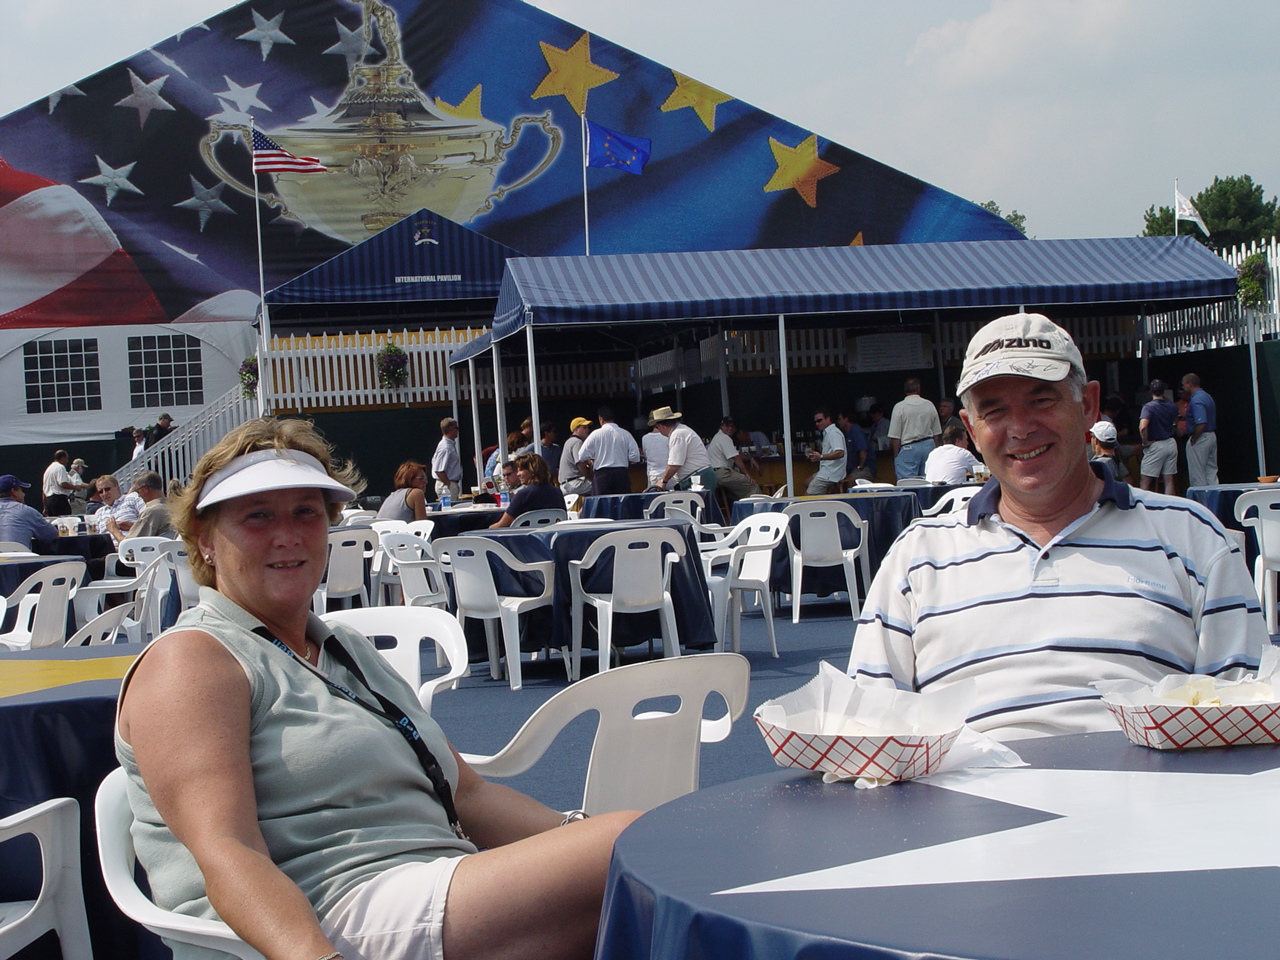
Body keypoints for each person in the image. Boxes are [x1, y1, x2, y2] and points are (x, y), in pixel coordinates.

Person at [114, 417, 636, 960]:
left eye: (306, 513)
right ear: (206, 541)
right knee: (634, 850)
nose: (288, 534)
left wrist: (572, 831)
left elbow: (466, 795)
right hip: (320, 914)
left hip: (428, 885)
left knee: (651, 858)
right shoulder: (193, 660)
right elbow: (225, 850)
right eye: (258, 516)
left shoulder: (343, 647)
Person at [848, 312, 1266, 741]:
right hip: (968, 800)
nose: (1021, 428)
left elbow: (1245, 713)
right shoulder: (916, 557)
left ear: (1087, 406)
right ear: (972, 430)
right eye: (994, 411)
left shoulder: (1192, 536)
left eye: (1042, 401)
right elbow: (870, 725)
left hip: (1151, 798)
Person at [489, 452, 565, 528]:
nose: (518, 474)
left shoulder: (524, 494)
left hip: (524, 537)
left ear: (532, 470)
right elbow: (563, 519)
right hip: (550, 536)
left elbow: (503, 525)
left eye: (520, 470)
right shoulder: (557, 492)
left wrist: (488, 529)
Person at [577, 406, 640, 495]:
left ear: (600, 418)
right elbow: (635, 457)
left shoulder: (596, 434)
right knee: (621, 505)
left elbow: (582, 455)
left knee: (602, 505)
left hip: (602, 476)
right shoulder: (625, 434)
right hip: (621, 474)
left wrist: (592, 460)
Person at [651, 406, 715, 492]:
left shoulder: (677, 434)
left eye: (657, 427)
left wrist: (663, 482)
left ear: (662, 426)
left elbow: (674, 465)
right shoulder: (680, 431)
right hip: (698, 475)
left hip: (698, 478)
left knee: (699, 504)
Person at [889, 379, 941, 480]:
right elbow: (937, 434)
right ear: (919, 389)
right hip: (928, 445)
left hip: (909, 447)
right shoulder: (929, 405)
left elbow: (895, 436)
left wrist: (896, 456)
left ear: (905, 391)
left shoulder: (899, 407)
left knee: (908, 482)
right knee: (929, 479)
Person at [1139, 379, 1179, 497]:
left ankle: (1143, 507)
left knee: (1145, 480)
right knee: (1169, 479)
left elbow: (1142, 427)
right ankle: (1169, 507)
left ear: (1150, 391)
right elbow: (1175, 421)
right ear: (1164, 391)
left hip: (1156, 444)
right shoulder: (1172, 406)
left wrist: (1145, 441)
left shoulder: (1148, 407)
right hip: (1171, 442)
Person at [705, 417, 759, 501]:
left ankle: (741, 510)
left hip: (715, 475)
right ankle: (758, 509)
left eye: (732, 426)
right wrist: (747, 474)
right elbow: (736, 457)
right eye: (727, 426)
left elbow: (736, 453)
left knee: (734, 495)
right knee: (752, 484)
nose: (730, 428)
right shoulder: (724, 438)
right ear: (721, 426)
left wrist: (750, 458)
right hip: (723, 474)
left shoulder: (719, 437)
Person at [110, 471, 173, 541]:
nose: (138, 495)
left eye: (137, 491)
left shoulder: (152, 511)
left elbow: (129, 546)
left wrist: (114, 530)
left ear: (145, 488)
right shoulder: (174, 507)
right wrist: (133, 526)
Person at [0, 475, 59, 551]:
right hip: (20, 560)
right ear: (14, 491)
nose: (24, 494)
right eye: (22, 490)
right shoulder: (26, 511)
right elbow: (52, 535)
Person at [1182, 373, 1218, 487]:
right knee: (1211, 473)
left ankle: (1201, 503)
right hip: (1211, 435)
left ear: (1189, 384)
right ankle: (1215, 502)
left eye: (1184, 385)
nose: (1183, 388)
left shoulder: (1196, 400)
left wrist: (1194, 439)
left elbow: (1201, 422)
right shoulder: (1207, 396)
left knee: (1197, 475)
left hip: (1201, 438)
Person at [804, 408, 846, 495]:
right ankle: (821, 503)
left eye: (820, 420)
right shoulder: (828, 433)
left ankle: (819, 504)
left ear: (828, 419)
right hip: (826, 471)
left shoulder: (833, 433)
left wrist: (821, 457)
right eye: (816, 422)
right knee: (807, 482)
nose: (817, 424)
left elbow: (840, 452)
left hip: (831, 474)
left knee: (806, 498)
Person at [835, 411, 875, 484]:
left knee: (850, 480)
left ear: (846, 419)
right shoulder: (846, 433)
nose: (838, 422)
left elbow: (863, 451)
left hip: (866, 468)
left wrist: (860, 467)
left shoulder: (856, 430)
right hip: (850, 469)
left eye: (840, 419)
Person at [42, 450, 84, 517]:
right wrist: (76, 487)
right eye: (67, 458)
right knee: (65, 521)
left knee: (54, 523)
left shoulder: (48, 470)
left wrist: (45, 507)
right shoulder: (60, 467)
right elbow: (63, 483)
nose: (67, 461)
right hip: (59, 500)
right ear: (63, 458)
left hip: (49, 501)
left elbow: (44, 491)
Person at [559, 417, 593, 496]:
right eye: (584, 427)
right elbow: (580, 464)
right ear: (576, 429)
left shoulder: (568, 441)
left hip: (565, 485)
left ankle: (583, 508)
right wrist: (590, 478)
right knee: (601, 485)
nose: (587, 430)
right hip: (574, 483)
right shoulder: (577, 442)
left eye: (587, 427)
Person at [432, 417, 462, 502]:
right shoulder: (445, 447)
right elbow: (438, 470)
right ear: (451, 429)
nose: (458, 431)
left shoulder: (448, 445)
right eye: (457, 428)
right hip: (445, 486)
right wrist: (449, 485)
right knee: (450, 510)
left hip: (448, 483)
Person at [641, 424, 669, 489]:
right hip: (669, 474)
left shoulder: (645, 438)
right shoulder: (668, 437)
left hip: (653, 475)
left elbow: (646, 455)